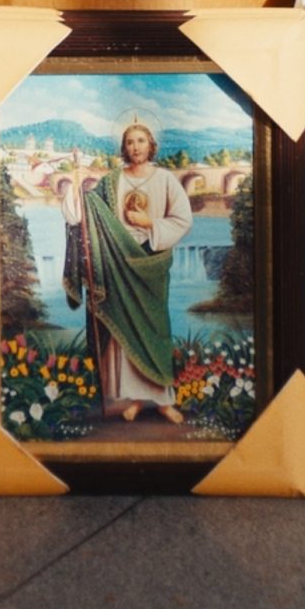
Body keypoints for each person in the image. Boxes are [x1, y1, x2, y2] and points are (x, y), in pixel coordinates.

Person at [63, 121, 194, 423]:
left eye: (141, 141)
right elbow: (84, 212)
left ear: (151, 146)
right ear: (124, 148)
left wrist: (150, 224)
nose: (135, 147)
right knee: (125, 336)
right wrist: (76, 181)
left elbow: (183, 219)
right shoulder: (111, 181)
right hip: (118, 263)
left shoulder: (165, 180)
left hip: (151, 263)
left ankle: (162, 401)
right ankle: (135, 398)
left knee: (156, 331)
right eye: (130, 142)